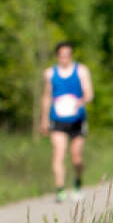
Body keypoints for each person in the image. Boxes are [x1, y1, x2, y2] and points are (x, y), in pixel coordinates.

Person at [40, 41, 94, 202]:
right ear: (57, 56)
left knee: (76, 157)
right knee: (59, 153)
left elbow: (89, 93)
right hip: (57, 118)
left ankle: (77, 183)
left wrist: (80, 101)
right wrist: (44, 119)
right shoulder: (50, 73)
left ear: (71, 56)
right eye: (61, 55)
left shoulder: (82, 71)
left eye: (67, 55)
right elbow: (46, 96)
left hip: (77, 118)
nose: (64, 58)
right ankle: (60, 189)